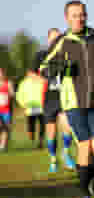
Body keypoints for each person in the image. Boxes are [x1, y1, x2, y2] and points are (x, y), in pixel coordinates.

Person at [40, 0, 94, 198]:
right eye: (74, 15)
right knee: (84, 146)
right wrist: (58, 66)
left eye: (82, 14)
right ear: (67, 18)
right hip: (73, 102)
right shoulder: (62, 41)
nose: (79, 18)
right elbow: (44, 68)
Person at [34, 28, 75, 173]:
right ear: (48, 40)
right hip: (49, 98)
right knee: (50, 131)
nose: (56, 40)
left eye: (58, 38)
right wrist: (45, 77)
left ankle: (66, 153)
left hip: (65, 97)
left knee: (67, 126)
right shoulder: (41, 55)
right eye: (53, 38)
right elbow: (32, 74)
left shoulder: (66, 54)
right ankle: (53, 159)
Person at [16, 68, 46, 148]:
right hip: (29, 107)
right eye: (29, 73)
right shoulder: (23, 83)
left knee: (43, 124)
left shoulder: (42, 81)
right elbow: (19, 95)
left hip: (41, 107)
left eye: (33, 73)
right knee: (31, 125)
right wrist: (23, 104)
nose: (31, 75)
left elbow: (46, 92)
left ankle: (40, 141)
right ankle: (32, 137)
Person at [0, 67, 14, 152]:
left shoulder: (8, 83)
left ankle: (2, 146)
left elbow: (12, 95)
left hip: (6, 110)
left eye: (1, 73)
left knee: (5, 128)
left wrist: (10, 91)